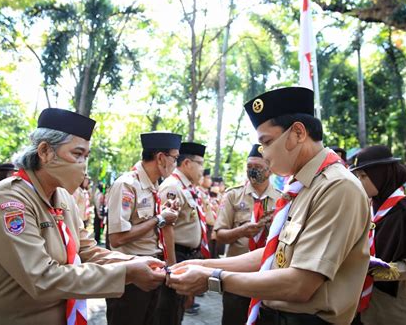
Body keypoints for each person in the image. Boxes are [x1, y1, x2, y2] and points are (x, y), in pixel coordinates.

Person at [167, 86, 371, 325]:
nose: (264, 155)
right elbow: (274, 255)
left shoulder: (336, 187)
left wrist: (213, 278)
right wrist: (203, 264)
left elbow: (301, 284)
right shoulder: (303, 186)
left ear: (297, 133)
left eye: (267, 142)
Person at [0, 108, 165, 325]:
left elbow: (86, 250)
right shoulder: (8, 200)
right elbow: (42, 277)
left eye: (86, 156)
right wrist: (126, 273)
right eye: (77, 154)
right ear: (45, 151)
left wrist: (136, 262)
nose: (83, 165)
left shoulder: (63, 197)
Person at [350, 145, 406, 325]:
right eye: (357, 176)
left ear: (381, 175)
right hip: (357, 308)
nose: (359, 181)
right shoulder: (365, 207)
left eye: (364, 176)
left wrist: (373, 270)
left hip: (391, 310)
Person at [106, 131, 182, 325]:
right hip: (130, 275)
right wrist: (159, 219)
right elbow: (117, 238)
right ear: (161, 158)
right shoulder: (127, 184)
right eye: (175, 158)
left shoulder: (154, 186)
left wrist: (164, 215)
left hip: (151, 268)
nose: (176, 164)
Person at [214, 144, 280, 325]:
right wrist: (241, 231)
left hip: (267, 275)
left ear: (270, 170)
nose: (253, 172)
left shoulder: (282, 199)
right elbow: (219, 235)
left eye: (258, 168)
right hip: (237, 275)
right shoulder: (233, 196)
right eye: (249, 167)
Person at [156, 142, 208, 324]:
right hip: (174, 255)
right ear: (187, 163)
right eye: (200, 163)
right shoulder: (173, 187)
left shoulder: (187, 187)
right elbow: (164, 226)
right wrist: (171, 265)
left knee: (177, 310)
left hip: (185, 255)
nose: (203, 168)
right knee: (168, 312)